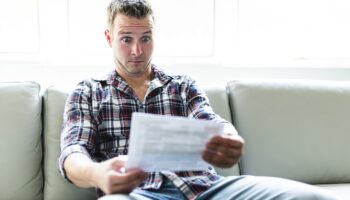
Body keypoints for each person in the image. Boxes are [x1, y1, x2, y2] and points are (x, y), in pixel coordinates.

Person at [58, 0, 338, 199]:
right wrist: (97, 174)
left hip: (206, 188)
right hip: (136, 193)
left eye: (145, 38)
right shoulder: (89, 92)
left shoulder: (182, 86)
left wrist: (229, 138)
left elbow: (212, 122)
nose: (136, 50)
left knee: (311, 196)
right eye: (126, 38)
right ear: (109, 38)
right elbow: (73, 153)